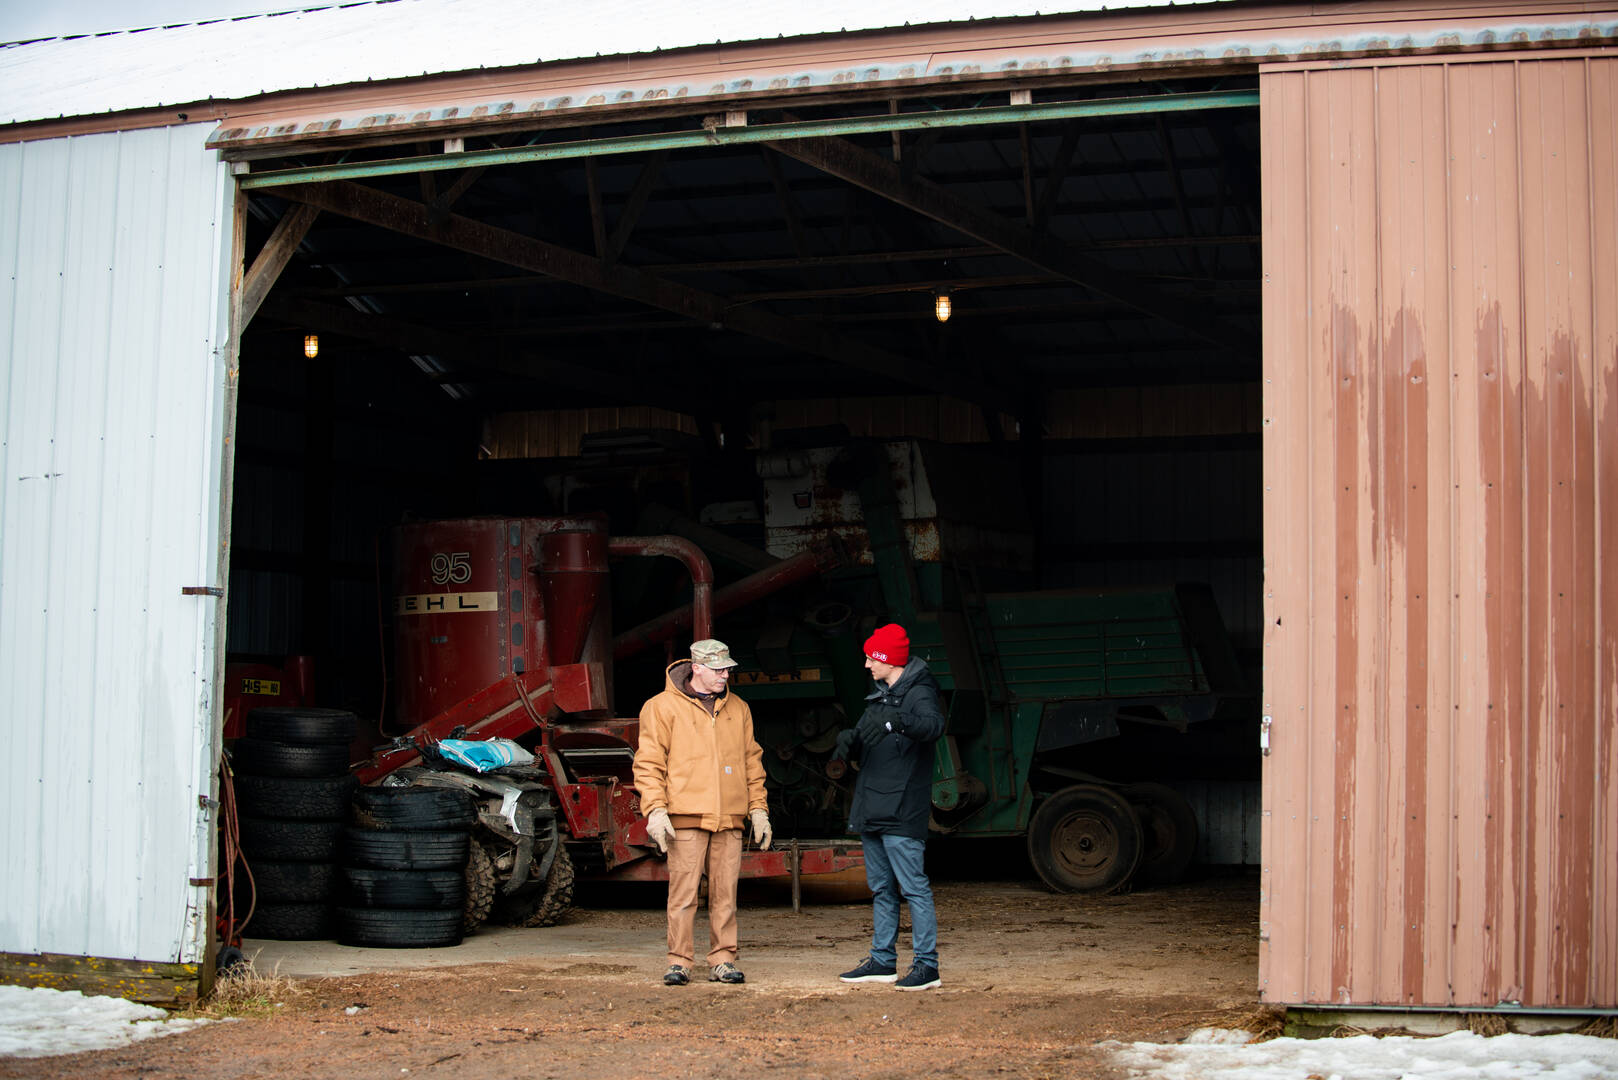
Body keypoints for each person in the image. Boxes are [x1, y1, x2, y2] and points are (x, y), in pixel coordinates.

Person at [633, 638, 772, 987]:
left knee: (726, 894)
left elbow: (751, 761)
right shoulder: (661, 707)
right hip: (686, 817)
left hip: (729, 818)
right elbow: (649, 763)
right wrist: (655, 810)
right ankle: (679, 961)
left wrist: (758, 809)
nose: (726, 674)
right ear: (696, 667)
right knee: (683, 895)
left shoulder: (738, 708)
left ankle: (723, 959)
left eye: (728, 668)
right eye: (719, 669)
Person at [832, 622, 946, 991]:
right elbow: (870, 739)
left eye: (870, 658)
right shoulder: (880, 694)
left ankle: (927, 966)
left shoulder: (920, 693)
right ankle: (883, 961)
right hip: (872, 805)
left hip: (902, 808)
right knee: (882, 888)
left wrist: (898, 721)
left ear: (887, 659)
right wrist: (849, 743)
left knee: (913, 888)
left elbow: (933, 726)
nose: (866, 665)